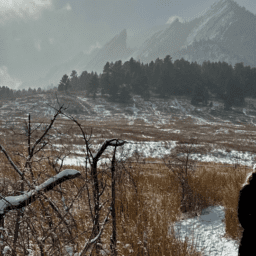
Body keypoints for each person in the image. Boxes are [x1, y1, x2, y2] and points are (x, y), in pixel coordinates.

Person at [237, 172, 256, 255]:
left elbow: (242, 216)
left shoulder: (246, 190)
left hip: (248, 238)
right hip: (250, 239)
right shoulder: (247, 190)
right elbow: (242, 216)